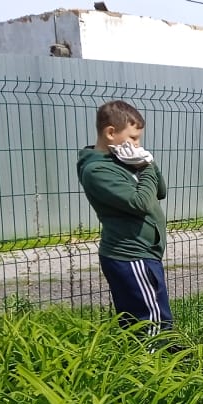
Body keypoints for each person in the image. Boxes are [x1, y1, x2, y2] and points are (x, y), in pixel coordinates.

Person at [77, 100, 172, 335]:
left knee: (142, 318)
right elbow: (141, 203)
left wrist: (144, 164)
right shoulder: (98, 170)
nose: (138, 146)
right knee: (153, 321)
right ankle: (155, 365)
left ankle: (145, 362)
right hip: (131, 255)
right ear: (111, 133)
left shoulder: (122, 160)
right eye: (133, 138)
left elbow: (160, 190)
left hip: (142, 253)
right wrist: (145, 166)